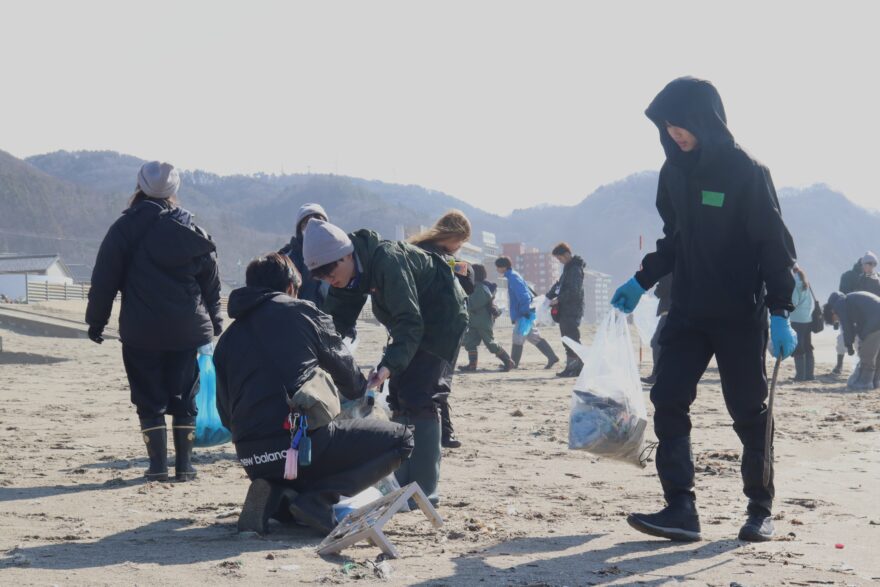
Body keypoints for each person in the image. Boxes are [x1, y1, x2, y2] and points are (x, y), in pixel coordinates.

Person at [610, 77, 798, 543]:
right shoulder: (672, 172)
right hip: (688, 309)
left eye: (682, 123)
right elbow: (674, 240)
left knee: (748, 410)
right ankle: (680, 508)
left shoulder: (746, 171)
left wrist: (780, 310)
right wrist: (641, 279)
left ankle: (759, 509)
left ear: (706, 119)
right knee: (668, 398)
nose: (675, 132)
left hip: (739, 313)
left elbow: (774, 245)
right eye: (668, 124)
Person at [214, 253, 413, 534]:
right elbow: (351, 381)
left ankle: (276, 494)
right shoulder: (302, 312)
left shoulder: (227, 340)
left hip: (251, 457)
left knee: (298, 469)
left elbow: (225, 415)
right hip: (302, 447)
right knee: (401, 440)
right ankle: (320, 499)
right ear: (291, 287)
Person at [305, 219, 468, 506]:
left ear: (346, 255)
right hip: (411, 326)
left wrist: (388, 365)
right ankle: (403, 482)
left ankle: (424, 492)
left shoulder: (387, 261)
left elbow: (410, 322)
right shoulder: (349, 274)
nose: (331, 280)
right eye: (323, 278)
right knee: (398, 396)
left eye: (332, 272)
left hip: (443, 320)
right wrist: (317, 357)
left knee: (420, 396)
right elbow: (334, 323)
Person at [86, 161, 223, 482]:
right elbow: (211, 283)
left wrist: (96, 321)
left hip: (141, 331)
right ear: (174, 192)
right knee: (185, 396)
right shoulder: (190, 229)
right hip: (187, 329)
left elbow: (104, 278)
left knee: (149, 397)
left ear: (139, 187)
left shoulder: (125, 228)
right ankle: (186, 467)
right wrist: (215, 319)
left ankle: (158, 467)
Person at [408, 210, 475, 449]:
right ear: (452, 235)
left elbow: (467, 286)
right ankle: (439, 433)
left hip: (439, 326)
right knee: (436, 381)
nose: (460, 247)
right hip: (433, 327)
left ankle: (443, 431)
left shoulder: (429, 252)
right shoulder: (427, 254)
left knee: (437, 380)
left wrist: (465, 271)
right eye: (461, 241)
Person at [494, 256, 559, 369]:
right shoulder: (513, 275)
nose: (497, 269)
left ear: (503, 267)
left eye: (498, 267)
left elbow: (523, 295)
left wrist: (524, 311)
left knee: (518, 337)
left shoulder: (513, 277)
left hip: (524, 313)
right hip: (526, 311)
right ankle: (552, 357)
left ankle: (512, 363)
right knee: (533, 337)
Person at [460, 264, 516, 372]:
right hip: (474, 320)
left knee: (490, 343)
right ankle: (472, 365)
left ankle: (508, 361)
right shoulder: (476, 287)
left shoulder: (481, 288)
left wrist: (463, 300)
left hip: (483, 321)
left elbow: (474, 304)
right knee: (470, 342)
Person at [824, 290, 880, 391]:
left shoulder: (839, 305)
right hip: (876, 318)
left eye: (835, 320)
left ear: (832, 312)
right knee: (877, 355)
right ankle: (875, 382)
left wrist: (849, 345)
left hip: (876, 321)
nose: (837, 321)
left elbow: (847, 327)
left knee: (866, 355)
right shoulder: (847, 300)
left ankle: (864, 383)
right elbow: (858, 324)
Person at [279, 203, 331, 307]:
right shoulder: (286, 259)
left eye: (318, 221)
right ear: (300, 230)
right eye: (306, 223)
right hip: (296, 318)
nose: (312, 227)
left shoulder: (336, 255)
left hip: (327, 319)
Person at [547, 242, 586, 377]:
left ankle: (574, 367)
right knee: (567, 338)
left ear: (567, 254)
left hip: (572, 309)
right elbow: (559, 285)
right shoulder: (568, 268)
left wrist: (558, 299)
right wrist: (548, 296)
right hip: (567, 309)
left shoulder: (575, 269)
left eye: (560, 258)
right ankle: (575, 367)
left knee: (571, 338)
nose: (559, 261)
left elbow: (574, 290)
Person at [642, 273, 673, 385]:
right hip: (676, 310)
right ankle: (661, 375)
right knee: (663, 344)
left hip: (668, 311)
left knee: (656, 343)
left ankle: (657, 375)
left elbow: (661, 291)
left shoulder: (668, 271)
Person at [790, 265, 815, 381]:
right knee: (807, 346)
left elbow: (793, 302)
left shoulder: (794, 282)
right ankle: (810, 375)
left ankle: (800, 375)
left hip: (797, 318)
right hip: (807, 318)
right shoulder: (805, 281)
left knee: (799, 347)